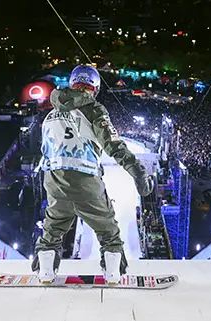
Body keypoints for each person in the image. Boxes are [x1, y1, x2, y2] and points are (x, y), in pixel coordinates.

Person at [32, 65, 154, 284]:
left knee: (53, 226)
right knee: (108, 229)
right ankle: (113, 273)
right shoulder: (94, 109)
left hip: (53, 180)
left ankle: (46, 272)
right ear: (94, 88)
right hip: (85, 179)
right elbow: (114, 145)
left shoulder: (50, 113)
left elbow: (46, 148)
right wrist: (138, 172)